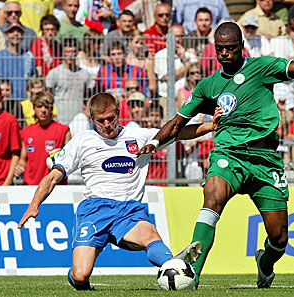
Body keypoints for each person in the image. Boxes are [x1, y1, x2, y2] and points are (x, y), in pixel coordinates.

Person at [137, 21, 294, 289]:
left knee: (279, 237)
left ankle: (265, 263)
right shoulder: (208, 86)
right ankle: (193, 275)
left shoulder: (262, 68)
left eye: (231, 48)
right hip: (229, 154)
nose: (225, 53)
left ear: (241, 46)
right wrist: (154, 143)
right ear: (215, 48)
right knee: (212, 195)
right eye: (221, 48)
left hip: (264, 160)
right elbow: (177, 122)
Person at [17, 92, 220, 291]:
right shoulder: (82, 141)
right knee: (80, 275)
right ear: (92, 118)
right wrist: (34, 206)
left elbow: (179, 132)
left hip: (129, 211)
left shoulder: (140, 136)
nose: (107, 124)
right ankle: (78, 278)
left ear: (118, 113)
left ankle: (173, 264)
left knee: (151, 237)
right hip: (95, 211)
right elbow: (53, 176)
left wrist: (211, 125)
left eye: (111, 118)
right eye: (101, 120)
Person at [14, 92, 71, 185]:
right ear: (34, 108)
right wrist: (19, 168)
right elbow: (23, 160)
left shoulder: (64, 130)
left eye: (46, 107)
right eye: (40, 106)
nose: (43, 110)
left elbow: (70, 159)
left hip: (55, 186)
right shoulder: (26, 131)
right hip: (31, 185)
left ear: (52, 109)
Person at [0, 22, 37, 101]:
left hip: (24, 102)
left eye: (18, 32)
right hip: (3, 101)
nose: (15, 34)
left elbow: (34, 80)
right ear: (7, 36)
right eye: (12, 32)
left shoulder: (29, 57)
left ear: (23, 36)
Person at [46, 37, 94, 125]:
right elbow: (48, 97)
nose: (70, 55)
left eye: (73, 52)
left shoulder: (84, 73)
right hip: (60, 119)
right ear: (62, 53)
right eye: (67, 52)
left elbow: (89, 96)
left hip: (79, 120)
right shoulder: (54, 73)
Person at [154, 24, 198, 98]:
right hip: (166, 97)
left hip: (187, 98)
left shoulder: (190, 56)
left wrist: (184, 58)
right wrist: (187, 65)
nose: (177, 39)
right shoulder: (160, 55)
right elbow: (167, 76)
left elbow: (196, 76)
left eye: (180, 36)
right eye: (174, 36)